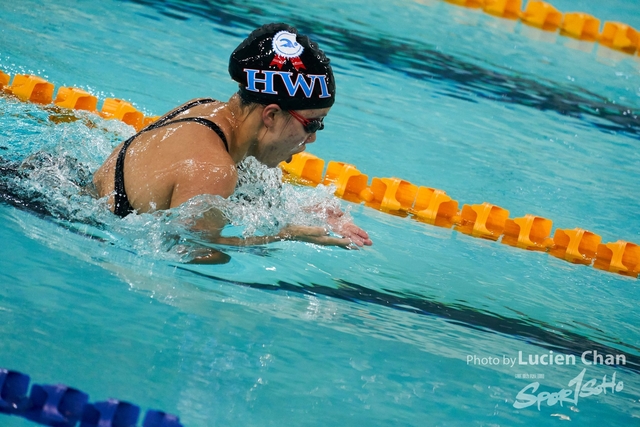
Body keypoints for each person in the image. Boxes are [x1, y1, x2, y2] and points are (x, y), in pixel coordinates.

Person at [92, 23, 372, 257]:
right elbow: (191, 253)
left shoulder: (202, 109)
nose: (311, 139)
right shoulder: (214, 169)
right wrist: (283, 236)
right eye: (312, 124)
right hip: (96, 241)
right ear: (271, 116)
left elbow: (241, 201)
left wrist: (307, 213)